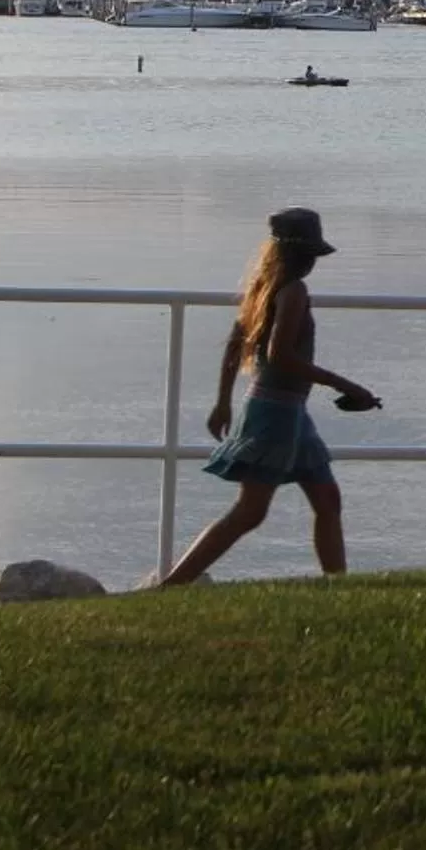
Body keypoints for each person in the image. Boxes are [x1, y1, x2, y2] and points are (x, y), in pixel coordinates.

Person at [162, 207, 380, 583]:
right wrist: (345, 385)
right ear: (304, 256)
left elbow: (235, 346)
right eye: (311, 255)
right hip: (276, 413)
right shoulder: (293, 291)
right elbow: (281, 355)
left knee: (327, 499)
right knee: (250, 511)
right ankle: (171, 587)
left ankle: (340, 586)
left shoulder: (262, 287)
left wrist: (223, 401)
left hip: (284, 409)